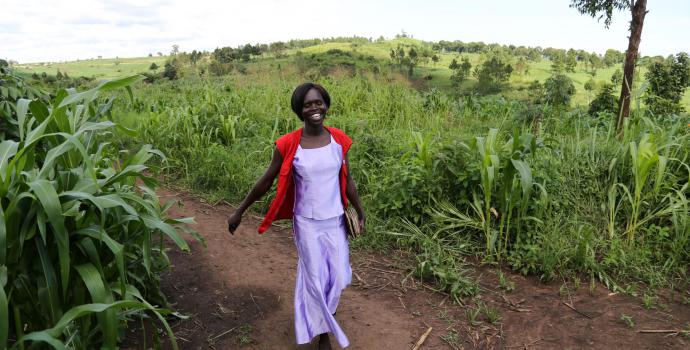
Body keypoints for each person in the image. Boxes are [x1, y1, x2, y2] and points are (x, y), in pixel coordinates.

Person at [227, 82, 365, 349]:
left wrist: (360, 211)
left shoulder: (338, 140)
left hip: (335, 220)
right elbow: (266, 180)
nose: (315, 108)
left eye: (318, 102)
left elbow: (348, 180)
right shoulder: (289, 144)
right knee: (314, 277)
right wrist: (239, 210)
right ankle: (323, 334)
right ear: (299, 111)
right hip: (307, 222)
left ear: (326, 105)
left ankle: (325, 314)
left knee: (336, 276)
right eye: (308, 105)